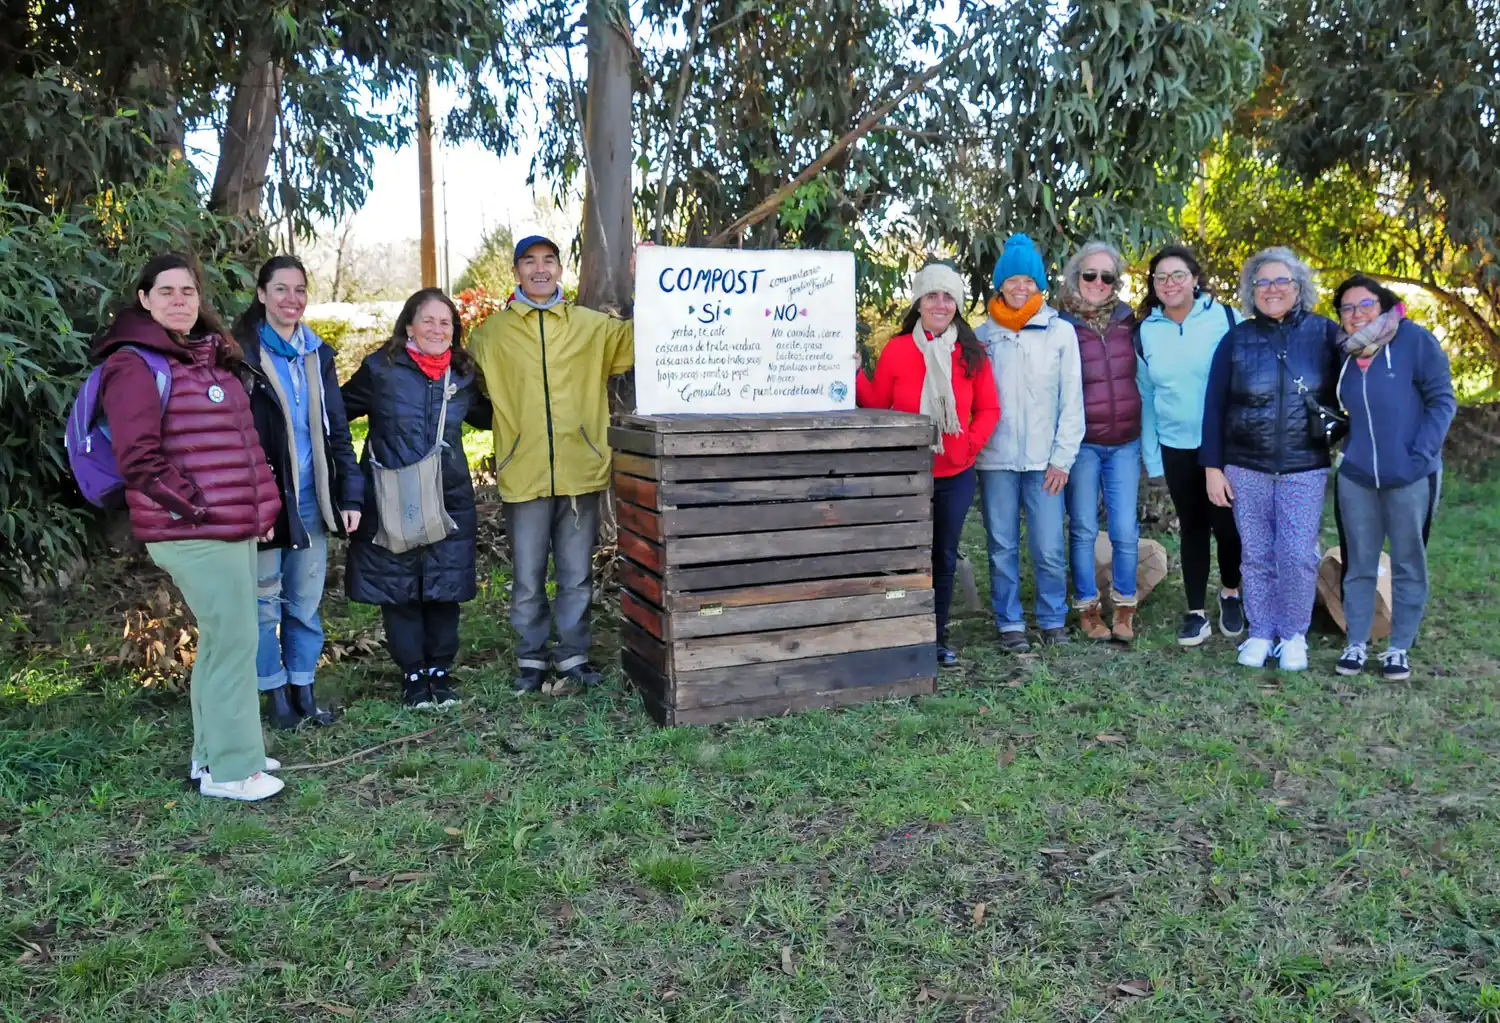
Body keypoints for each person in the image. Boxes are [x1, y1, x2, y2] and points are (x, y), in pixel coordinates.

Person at [94, 254, 284, 801]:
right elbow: (139, 459)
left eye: (188, 291)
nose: (180, 299)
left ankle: (212, 755)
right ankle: (233, 770)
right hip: (194, 528)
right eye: (167, 291)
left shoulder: (205, 357)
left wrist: (258, 510)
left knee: (227, 641)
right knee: (235, 639)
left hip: (228, 525)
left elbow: (242, 449)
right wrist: (197, 509)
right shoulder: (135, 363)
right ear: (145, 299)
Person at [467, 235, 634, 693]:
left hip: (581, 467)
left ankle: (574, 657)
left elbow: (643, 339)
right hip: (524, 472)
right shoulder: (490, 334)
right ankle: (531, 661)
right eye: (528, 262)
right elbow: (460, 381)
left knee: (577, 575)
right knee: (526, 577)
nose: (539, 269)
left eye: (548, 261)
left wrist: (649, 278)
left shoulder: (593, 326)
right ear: (516, 272)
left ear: (561, 269)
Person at [342, 289, 493, 709]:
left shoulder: (461, 375)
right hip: (392, 496)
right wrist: (348, 482)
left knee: (445, 588)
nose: (436, 329)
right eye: (427, 320)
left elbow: (491, 416)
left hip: (449, 496)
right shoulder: (381, 370)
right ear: (408, 325)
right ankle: (412, 675)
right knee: (401, 590)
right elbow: (336, 415)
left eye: (445, 322)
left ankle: (440, 673)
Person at [234, 256, 362, 729]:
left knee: (305, 602)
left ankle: (304, 690)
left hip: (312, 497)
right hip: (266, 500)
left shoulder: (317, 353)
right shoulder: (241, 354)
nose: (292, 300)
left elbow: (338, 429)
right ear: (262, 294)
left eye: (300, 290)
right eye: (281, 289)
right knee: (264, 604)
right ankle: (273, 696)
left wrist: (350, 495)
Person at [1200, 247, 1342, 671]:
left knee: (1297, 553)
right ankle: (1262, 631)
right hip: (1246, 465)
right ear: (1251, 291)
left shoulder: (1325, 334)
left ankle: (1293, 633)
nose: (1273, 289)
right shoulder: (1236, 339)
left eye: (1282, 281)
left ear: (1299, 287)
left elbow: (1356, 384)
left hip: (1304, 465)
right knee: (1257, 554)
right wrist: (1212, 466)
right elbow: (1213, 406)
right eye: (1263, 282)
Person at [857, 261, 1000, 668]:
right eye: (932, 295)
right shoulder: (899, 350)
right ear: (918, 302)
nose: (940, 303)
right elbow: (878, 404)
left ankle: (936, 637)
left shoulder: (971, 352)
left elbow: (989, 407)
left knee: (944, 555)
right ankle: (901, 632)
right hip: (907, 473)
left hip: (954, 474)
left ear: (957, 303)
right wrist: (851, 375)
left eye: (948, 296)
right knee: (905, 555)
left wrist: (969, 446)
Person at [1330, 275, 1456, 681]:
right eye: (1347, 309)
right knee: (1359, 563)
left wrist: (1419, 456)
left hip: (1410, 475)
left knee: (1407, 561)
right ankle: (1357, 641)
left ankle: (1399, 646)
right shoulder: (1344, 355)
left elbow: (1442, 400)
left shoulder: (1414, 341)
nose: (1355, 314)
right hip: (1357, 476)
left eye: (1364, 305)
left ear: (1384, 307)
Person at [975, 233, 1085, 652]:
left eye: (1029, 281)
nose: (1020, 288)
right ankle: (1009, 623)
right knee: (1001, 545)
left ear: (1040, 285)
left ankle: (1052, 618)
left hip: (1045, 462)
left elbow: (1071, 401)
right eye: (1012, 280)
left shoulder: (1060, 334)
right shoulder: (983, 336)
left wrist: (1062, 459)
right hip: (996, 459)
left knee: (1048, 545)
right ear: (999, 284)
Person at [1136, 244, 1245, 646]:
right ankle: (1196, 611)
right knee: (1193, 528)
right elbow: (1147, 397)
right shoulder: (1146, 331)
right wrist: (1154, 458)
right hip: (1175, 445)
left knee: (1229, 528)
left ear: (1195, 278)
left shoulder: (1226, 318)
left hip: (1225, 445)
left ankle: (1231, 592)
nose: (1169, 283)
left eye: (1178, 275)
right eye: (1160, 277)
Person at [1057, 241, 1142, 642]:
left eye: (1106, 276)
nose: (1097, 282)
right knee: (1084, 529)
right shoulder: (1060, 325)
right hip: (1083, 444)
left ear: (1116, 282)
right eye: (1090, 274)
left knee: (1125, 529)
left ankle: (1125, 608)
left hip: (1125, 440)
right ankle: (1088, 609)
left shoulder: (1129, 321)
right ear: (1077, 276)